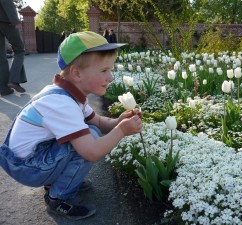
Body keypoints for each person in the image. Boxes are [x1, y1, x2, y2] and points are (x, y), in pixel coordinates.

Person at [0, 31, 142, 220]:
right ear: (76, 73)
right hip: (28, 167)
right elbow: (91, 152)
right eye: (104, 71)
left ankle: (62, 180)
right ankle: (58, 198)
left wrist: (118, 122)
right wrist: (122, 130)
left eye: (111, 69)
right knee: (90, 138)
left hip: (35, 158)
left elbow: (98, 121)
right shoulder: (61, 103)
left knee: (91, 130)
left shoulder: (70, 94)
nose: (111, 77)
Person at [0, 0, 27, 95]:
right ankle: (13, 80)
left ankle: (4, 89)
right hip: (6, 20)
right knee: (19, 50)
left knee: (1, 56)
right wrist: (15, 20)